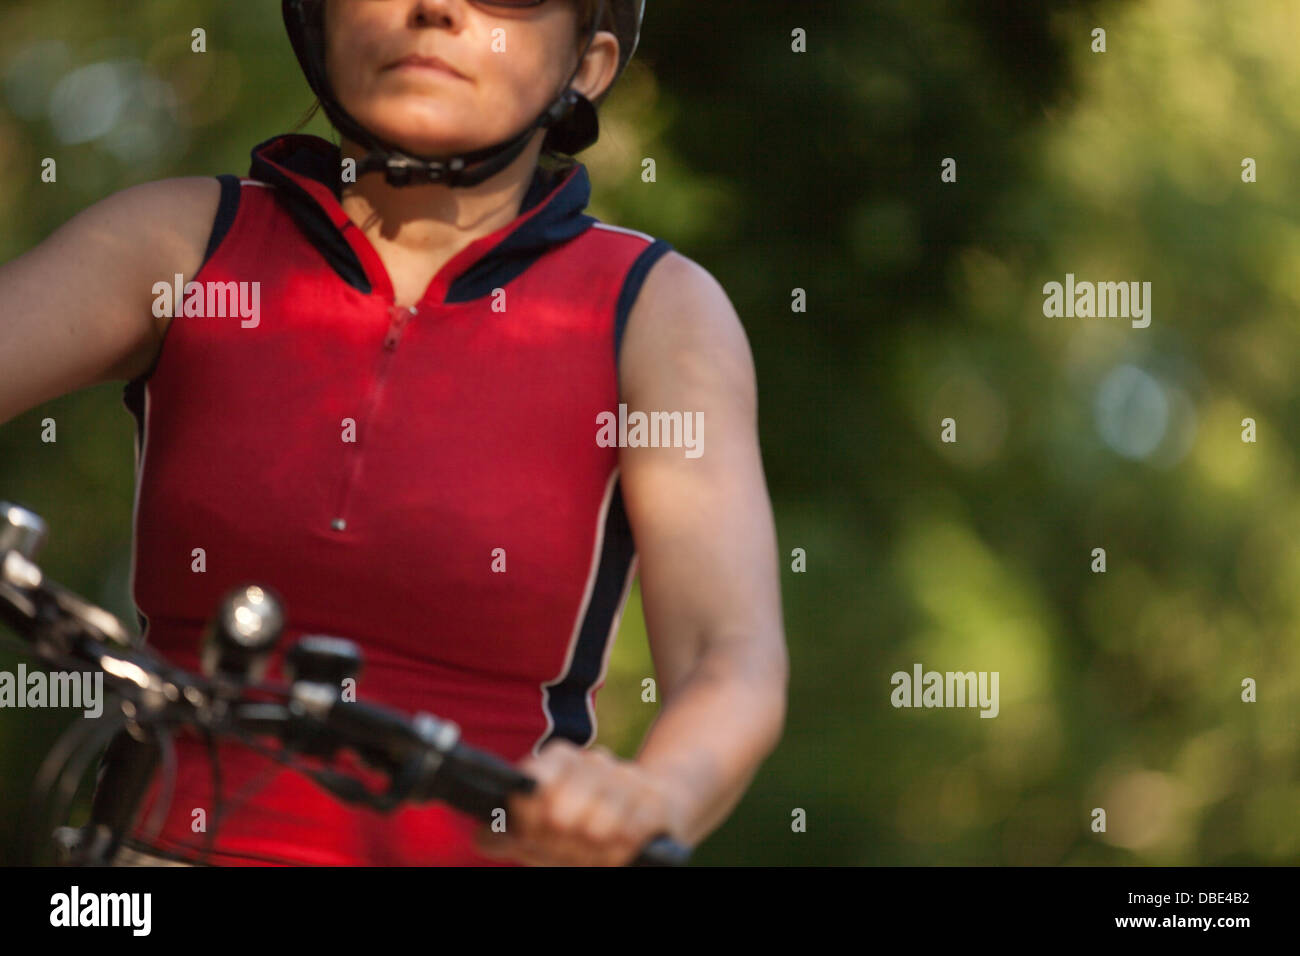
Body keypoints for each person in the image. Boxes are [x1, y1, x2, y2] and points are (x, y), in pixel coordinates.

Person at [0, 0, 787, 866]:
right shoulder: (180, 243)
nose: (434, 8)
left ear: (588, 65)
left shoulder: (655, 310)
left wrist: (652, 792)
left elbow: (730, 655)